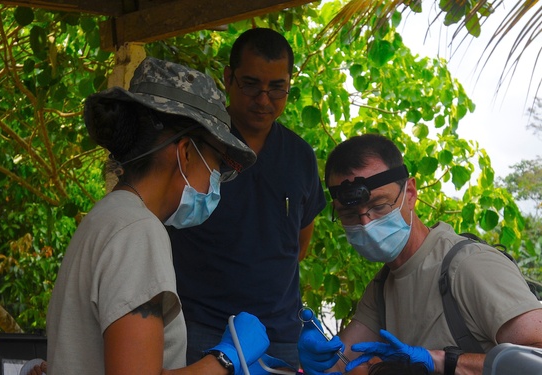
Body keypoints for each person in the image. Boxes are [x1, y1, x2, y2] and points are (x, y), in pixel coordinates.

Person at [45, 57, 270, 374]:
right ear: (186, 152)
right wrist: (226, 360)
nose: (217, 180)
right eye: (218, 163)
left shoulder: (107, 217)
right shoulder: (138, 231)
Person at [297, 133, 542, 375]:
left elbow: (537, 360)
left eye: (379, 206)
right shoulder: (382, 287)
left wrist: (441, 361)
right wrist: (319, 359)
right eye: (350, 215)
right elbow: (342, 362)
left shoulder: (468, 265)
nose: (366, 223)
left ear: (411, 194)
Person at [168, 28, 326, 369]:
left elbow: (300, 244)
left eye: (277, 88)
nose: (264, 99)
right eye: (251, 84)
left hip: (278, 336)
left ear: (289, 84)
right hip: (199, 327)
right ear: (228, 78)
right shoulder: (197, 144)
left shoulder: (299, 157)